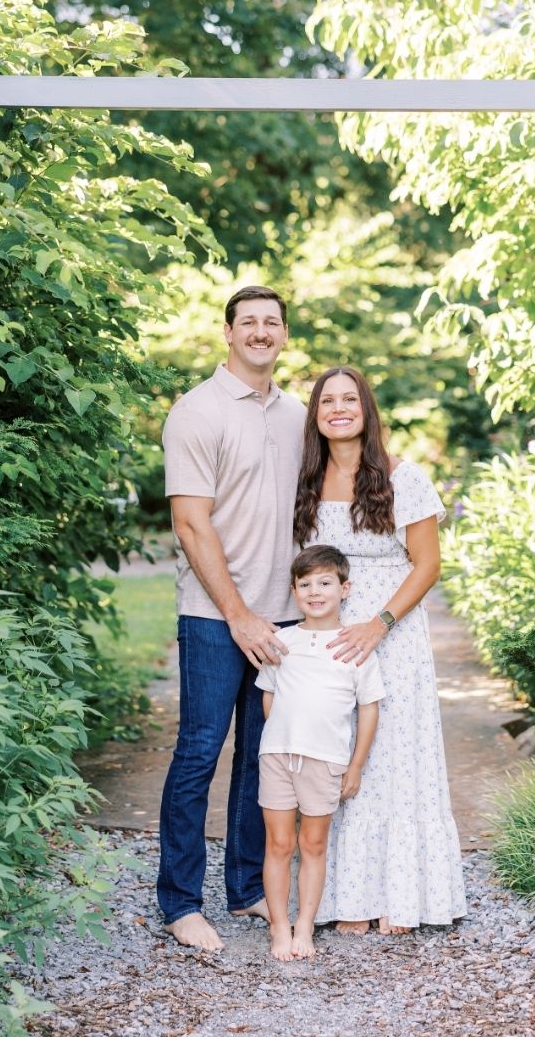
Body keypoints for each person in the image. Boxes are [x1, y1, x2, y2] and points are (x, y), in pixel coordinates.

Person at [158, 285, 307, 952]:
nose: (260, 331)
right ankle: (180, 902)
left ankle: (245, 886)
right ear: (227, 333)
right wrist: (240, 614)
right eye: (247, 322)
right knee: (199, 752)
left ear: (283, 335)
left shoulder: (297, 414)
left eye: (271, 322)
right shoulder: (197, 412)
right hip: (217, 619)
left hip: (288, 619)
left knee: (263, 754)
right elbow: (190, 523)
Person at [294, 365, 467, 934]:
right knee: (340, 752)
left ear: (366, 410)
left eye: (350, 399)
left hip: (391, 632)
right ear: (315, 415)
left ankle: (403, 894)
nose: (338, 409)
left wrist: (380, 623)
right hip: (329, 632)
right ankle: (349, 896)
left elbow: (429, 565)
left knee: (395, 754)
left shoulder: (402, 476)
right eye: (327, 401)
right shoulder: (307, 481)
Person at [255, 545, 383, 962]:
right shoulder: (282, 640)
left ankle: (304, 926)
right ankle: (279, 926)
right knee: (278, 844)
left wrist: (356, 765)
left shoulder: (355, 647)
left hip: (325, 760)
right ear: (294, 592)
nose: (315, 591)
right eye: (305, 584)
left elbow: (369, 708)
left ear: (344, 589)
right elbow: (269, 697)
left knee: (312, 845)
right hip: (277, 756)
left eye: (325, 583)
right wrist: (282, 736)